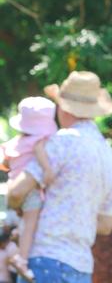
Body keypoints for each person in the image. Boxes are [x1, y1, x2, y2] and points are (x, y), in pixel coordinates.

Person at [7, 71, 112, 283]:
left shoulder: (62, 142)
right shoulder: (110, 156)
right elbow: (106, 225)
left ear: (62, 107)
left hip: (44, 259)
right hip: (81, 267)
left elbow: (16, 192)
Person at [0, 97, 58, 281]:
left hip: (14, 186)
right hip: (31, 192)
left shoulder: (15, 142)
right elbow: (41, 159)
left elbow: (4, 163)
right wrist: (48, 170)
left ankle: (19, 255)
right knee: (30, 225)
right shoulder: (39, 142)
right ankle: (22, 260)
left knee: (24, 224)